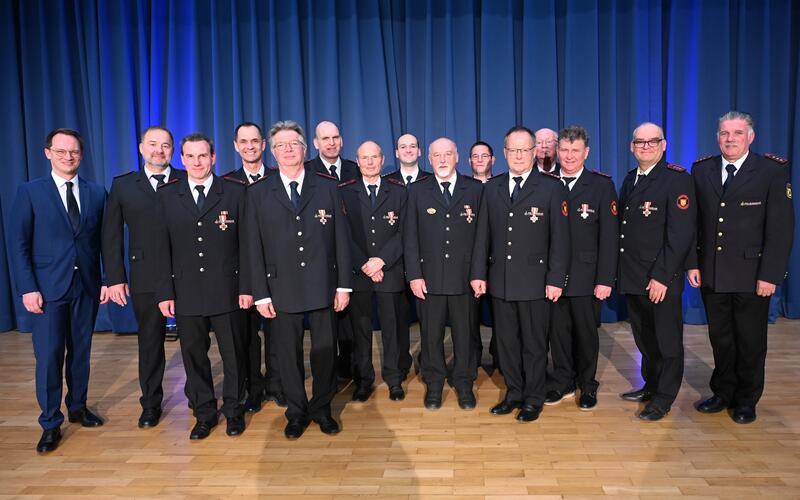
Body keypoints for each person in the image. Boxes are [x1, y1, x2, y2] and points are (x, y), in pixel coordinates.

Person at [687, 111, 794, 424]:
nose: (729, 139)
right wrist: (693, 263)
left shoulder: (771, 171)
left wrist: (770, 275)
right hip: (713, 272)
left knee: (750, 340)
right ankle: (723, 392)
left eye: (736, 133)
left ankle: (747, 399)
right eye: (724, 133)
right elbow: (694, 223)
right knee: (720, 338)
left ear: (751, 137)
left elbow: (781, 228)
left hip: (752, 274)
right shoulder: (701, 169)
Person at [248, 120, 352, 439]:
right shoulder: (257, 192)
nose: (288, 150)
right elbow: (253, 246)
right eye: (281, 145)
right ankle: (295, 412)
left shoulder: (327, 187)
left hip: (323, 285)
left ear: (305, 149)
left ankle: (321, 408)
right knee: (286, 356)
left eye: (294, 144)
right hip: (280, 288)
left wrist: (343, 285)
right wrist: (260, 295)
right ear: (272, 151)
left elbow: (341, 240)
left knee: (323, 352)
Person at [10, 128, 109, 453]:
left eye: (75, 152)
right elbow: (19, 244)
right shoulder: (30, 192)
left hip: (86, 286)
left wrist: (107, 279)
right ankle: (50, 422)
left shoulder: (96, 193)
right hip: (47, 290)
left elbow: (103, 243)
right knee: (50, 356)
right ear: (48, 153)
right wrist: (28, 288)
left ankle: (77, 407)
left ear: (82, 155)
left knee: (81, 353)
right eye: (62, 151)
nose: (69, 157)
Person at [470, 125, 570, 422]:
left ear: (535, 152)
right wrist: (479, 274)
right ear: (503, 154)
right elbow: (482, 236)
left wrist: (555, 280)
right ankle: (514, 393)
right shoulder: (493, 188)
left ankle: (534, 397)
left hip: (536, 283)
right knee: (506, 344)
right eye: (512, 150)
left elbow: (560, 240)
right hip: (500, 282)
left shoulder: (551, 188)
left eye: (524, 150)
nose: (518, 155)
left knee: (534, 345)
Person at [155, 133, 251, 440]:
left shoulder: (235, 192)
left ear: (214, 158)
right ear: (181, 160)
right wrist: (165, 292)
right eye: (190, 157)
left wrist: (247, 287)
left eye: (203, 156)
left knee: (234, 354)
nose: (197, 162)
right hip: (186, 292)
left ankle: (235, 411)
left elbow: (248, 247)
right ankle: (205, 413)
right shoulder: (169, 195)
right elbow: (161, 247)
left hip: (228, 289)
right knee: (193, 355)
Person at [103, 126, 187, 429]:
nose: (159, 150)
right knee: (150, 343)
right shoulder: (124, 186)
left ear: (173, 150)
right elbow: (110, 236)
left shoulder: (185, 179)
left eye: (165, 145)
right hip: (145, 276)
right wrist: (115, 278)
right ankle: (150, 403)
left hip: (186, 275)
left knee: (192, 341)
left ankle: (198, 396)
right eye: (153, 144)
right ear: (141, 148)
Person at [617, 122, 696, 421]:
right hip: (634, 276)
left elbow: (680, 234)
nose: (646, 146)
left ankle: (664, 398)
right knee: (645, 339)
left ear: (664, 145)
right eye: (640, 142)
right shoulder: (630, 180)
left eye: (653, 141)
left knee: (667, 342)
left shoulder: (676, 180)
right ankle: (651, 384)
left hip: (661, 278)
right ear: (631, 146)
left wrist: (662, 276)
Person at [404, 137, 483, 411]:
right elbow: (410, 237)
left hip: (465, 279)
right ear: (429, 157)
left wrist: (478, 274)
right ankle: (434, 384)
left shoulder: (473, 190)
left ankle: (464, 383)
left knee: (465, 335)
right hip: (429, 278)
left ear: (457, 156)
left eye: (447, 154)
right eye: (437, 155)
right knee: (431, 336)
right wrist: (414, 275)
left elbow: (482, 238)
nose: (442, 159)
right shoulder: (416, 191)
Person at [545, 126, 618, 411]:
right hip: (552, 277)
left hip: (587, 278)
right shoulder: (546, 182)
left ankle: (587, 385)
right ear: (556, 151)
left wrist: (605, 278)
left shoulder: (601, 186)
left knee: (586, 334)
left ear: (586, 152)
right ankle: (563, 380)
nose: (569, 155)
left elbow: (610, 238)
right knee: (558, 333)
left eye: (576, 150)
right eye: (564, 150)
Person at [339, 141, 411, 402]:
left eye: (374, 157)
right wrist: (365, 264)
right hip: (359, 275)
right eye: (364, 158)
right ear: (357, 162)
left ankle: (394, 380)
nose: (369, 162)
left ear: (382, 160)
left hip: (389, 271)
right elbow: (343, 235)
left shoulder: (399, 192)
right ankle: (363, 381)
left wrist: (381, 261)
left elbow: (406, 231)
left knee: (393, 330)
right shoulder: (344, 192)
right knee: (361, 332)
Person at [223, 122, 286, 412]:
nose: (249, 146)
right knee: (245, 337)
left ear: (264, 145)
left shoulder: (279, 179)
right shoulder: (225, 184)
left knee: (277, 335)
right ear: (235, 146)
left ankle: (277, 384)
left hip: (274, 271)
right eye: (243, 141)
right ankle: (253, 388)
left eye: (255, 141)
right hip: (238, 275)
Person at [306, 120, 358, 378]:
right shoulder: (307, 172)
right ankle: (326, 374)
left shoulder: (354, 169)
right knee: (324, 325)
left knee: (350, 322)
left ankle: (348, 370)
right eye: (325, 138)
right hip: (320, 258)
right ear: (316, 143)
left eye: (335, 137)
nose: (331, 142)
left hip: (351, 254)